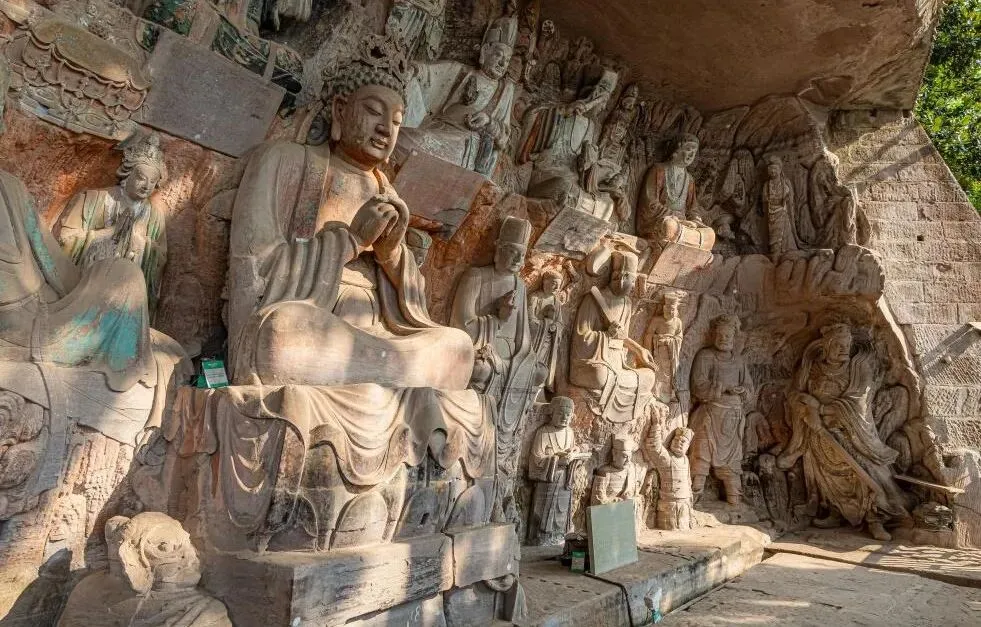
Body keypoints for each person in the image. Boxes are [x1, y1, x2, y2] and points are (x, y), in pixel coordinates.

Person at [777, 324, 909, 541]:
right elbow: (794, 394)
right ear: (826, 347)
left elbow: (858, 404)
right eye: (838, 345)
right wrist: (804, 404)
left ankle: (874, 519)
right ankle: (836, 511)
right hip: (817, 432)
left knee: (862, 474)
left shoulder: (859, 369)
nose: (843, 349)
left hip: (851, 434)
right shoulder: (812, 368)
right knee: (827, 476)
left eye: (846, 345)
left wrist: (820, 408)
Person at [57, 132, 169, 313]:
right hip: (88, 280)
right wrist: (103, 235)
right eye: (141, 178)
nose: (146, 186)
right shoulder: (94, 199)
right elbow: (66, 239)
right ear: (128, 174)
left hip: (124, 293)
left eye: (152, 181)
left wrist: (140, 243)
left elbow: (161, 256)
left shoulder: (154, 216)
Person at [570, 250, 657, 424]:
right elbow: (581, 337)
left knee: (649, 377)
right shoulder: (593, 299)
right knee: (600, 375)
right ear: (614, 277)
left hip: (617, 363)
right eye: (618, 277)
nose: (624, 283)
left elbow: (622, 337)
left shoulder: (627, 304)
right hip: (595, 361)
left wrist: (639, 350)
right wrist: (606, 335)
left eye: (630, 279)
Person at [689, 315, 753, 505]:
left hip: (732, 418)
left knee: (732, 462)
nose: (724, 339)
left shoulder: (739, 361)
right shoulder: (705, 356)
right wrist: (719, 388)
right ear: (713, 336)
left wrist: (743, 391)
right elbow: (697, 385)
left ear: (734, 338)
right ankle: (693, 498)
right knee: (701, 453)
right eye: (720, 335)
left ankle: (735, 501)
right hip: (710, 414)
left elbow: (749, 388)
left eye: (728, 336)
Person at [637, 134, 715, 254]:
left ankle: (684, 240)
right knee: (669, 226)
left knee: (710, 234)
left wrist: (695, 221)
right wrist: (675, 216)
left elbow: (692, 209)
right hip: (660, 222)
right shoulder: (658, 170)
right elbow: (650, 204)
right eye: (688, 149)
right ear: (677, 149)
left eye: (694, 152)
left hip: (682, 225)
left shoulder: (689, 179)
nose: (691, 155)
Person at [527, 396, 588, 545]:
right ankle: (541, 537)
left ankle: (559, 534)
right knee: (544, 509)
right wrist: (557, 460)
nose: (564, 418)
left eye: (568, 414)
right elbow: (536, 457)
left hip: (565, 478)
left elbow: (572, 449)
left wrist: (575, 451)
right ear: (552, 413)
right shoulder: (543, 432)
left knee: (562, 508)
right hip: (549, 477)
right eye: (560, 413)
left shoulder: (570, 432)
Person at [644, 407, 694, 530]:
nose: (678, 443)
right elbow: (655, 447)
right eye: (676, 440)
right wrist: (656, 425)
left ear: (688, 446)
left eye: (683, 442)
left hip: (685, 503)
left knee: (683, 529)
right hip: (669, 504)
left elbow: (688, 481)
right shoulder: (667, 458)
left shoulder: (686, 460)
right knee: (671, 528)